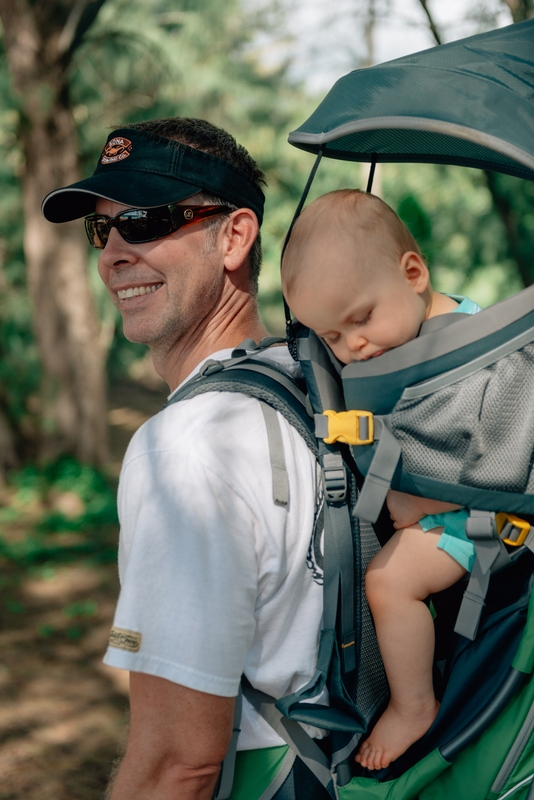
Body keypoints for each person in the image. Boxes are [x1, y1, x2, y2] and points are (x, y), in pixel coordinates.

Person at [42, 118, 330, 800]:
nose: (113, 252)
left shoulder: (189, 446)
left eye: (145, 220)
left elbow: (178, 764)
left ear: (234, 237)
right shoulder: (315, 382)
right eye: (101, 229)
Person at [281, 188, 482, 772]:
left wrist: (411, 502)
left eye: (361, 320)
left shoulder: (457, 355)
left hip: (482, 517)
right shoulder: (439, 330)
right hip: (464, 508)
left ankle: (412, 705)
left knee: (387, 583)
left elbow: (474, 458)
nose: (355, 348)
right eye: (334, 339)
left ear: (413, 272)